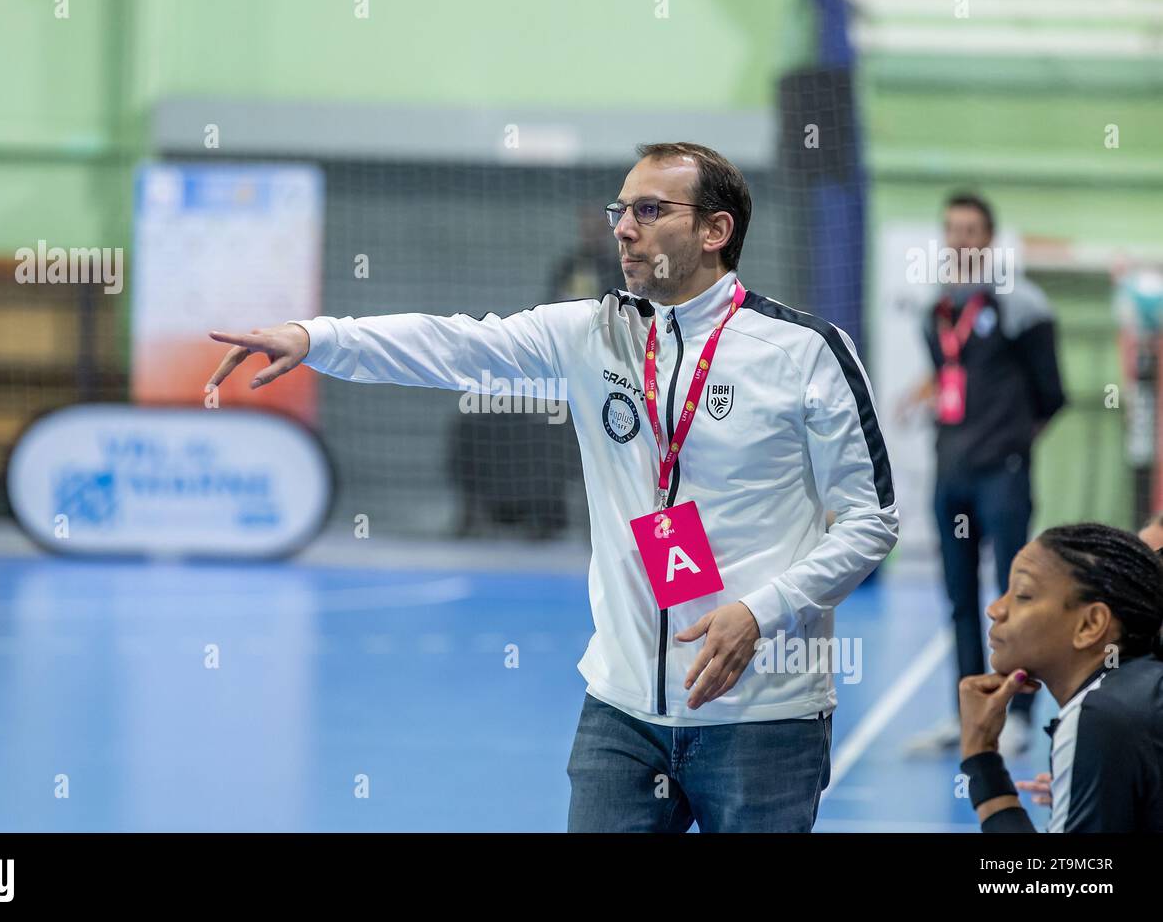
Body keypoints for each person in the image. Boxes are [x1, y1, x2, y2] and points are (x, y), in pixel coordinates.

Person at [206, 141, 899, 832]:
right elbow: (452, 346)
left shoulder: (806, 351)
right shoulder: (591, 333)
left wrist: (761, 612)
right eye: (621, 209)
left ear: (715, 231)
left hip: (763, 718)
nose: (623, 227)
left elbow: (871, 521)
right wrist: (316, 337)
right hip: (621, 713)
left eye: (650, 210)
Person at [903, 193, 1066, 758]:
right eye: (952, 228)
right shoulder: (937, 310)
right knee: (957, 598)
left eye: (971, 229)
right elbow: (951, 380)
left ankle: (1018, 713)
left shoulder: (1023, 307)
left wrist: (1010, 446)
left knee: (1014, 596)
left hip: (1004, 474)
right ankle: (970, 716)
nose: (960, 238)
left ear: (990, 238)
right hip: (952, 476)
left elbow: (1053, 394)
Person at [958, 522, 1163, 832]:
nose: (995, 609)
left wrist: (980, 753)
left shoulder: (1100, 715)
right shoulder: (1139, 691)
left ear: (1090, 625)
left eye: (1023, 595)